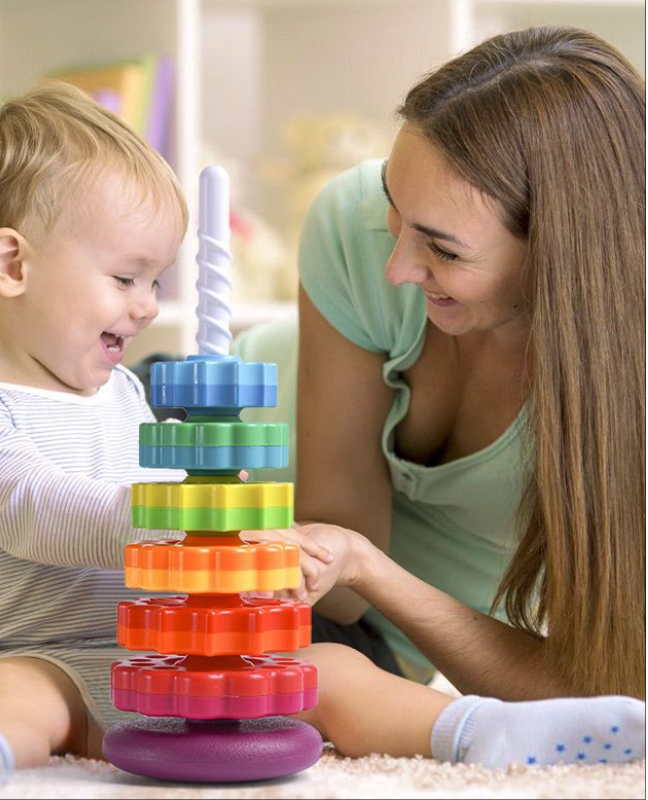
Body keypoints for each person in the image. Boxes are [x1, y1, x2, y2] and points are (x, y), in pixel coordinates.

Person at [236, 24, 645, 767]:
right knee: (12, 622)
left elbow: (605, 693)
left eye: (443, 249)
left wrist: (369, 567)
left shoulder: (629, 385)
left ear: (557, 254)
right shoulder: (353, 224)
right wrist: (346, 566)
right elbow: (330, 586)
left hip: (363, 643)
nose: (394, 264)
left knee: (276, 682)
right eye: (394, 204)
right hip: (195, 463)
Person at [0, 82, 203, 788]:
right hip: (36, 654)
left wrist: (225, 528)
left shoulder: (123, 391)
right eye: (126, 277)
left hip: (159, 661)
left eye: (156, 280)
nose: (147, 307)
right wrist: (171, 515)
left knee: (335, 672)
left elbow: (174, 510)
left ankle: (468, 724)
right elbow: (37, 512)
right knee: (18, 698)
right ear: (13, 265)